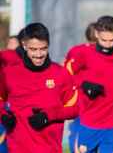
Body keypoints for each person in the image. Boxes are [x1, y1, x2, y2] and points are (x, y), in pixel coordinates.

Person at [0, 22, 79, 153]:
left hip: (50, 149)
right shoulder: (9, 73)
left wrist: (49, 115)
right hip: (17, 149)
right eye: (33, 49)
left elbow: (75, 108)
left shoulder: (61, 74)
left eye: (43, 48)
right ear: (24, 46)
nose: (39, 54)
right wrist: (3, 115)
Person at [64, 15, 113, 153]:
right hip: (89, 122)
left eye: (112, 40)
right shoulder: (83, 53)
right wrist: (84, 84)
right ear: (96, 34)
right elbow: (65, 75)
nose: (108, 44)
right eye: (104, 40)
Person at [67, 22, 98, 153]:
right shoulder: (80, 51)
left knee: (80, 131)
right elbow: (67, 74)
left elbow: (67, 74)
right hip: (86, 102)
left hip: (87, 102)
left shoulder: (76, 50)